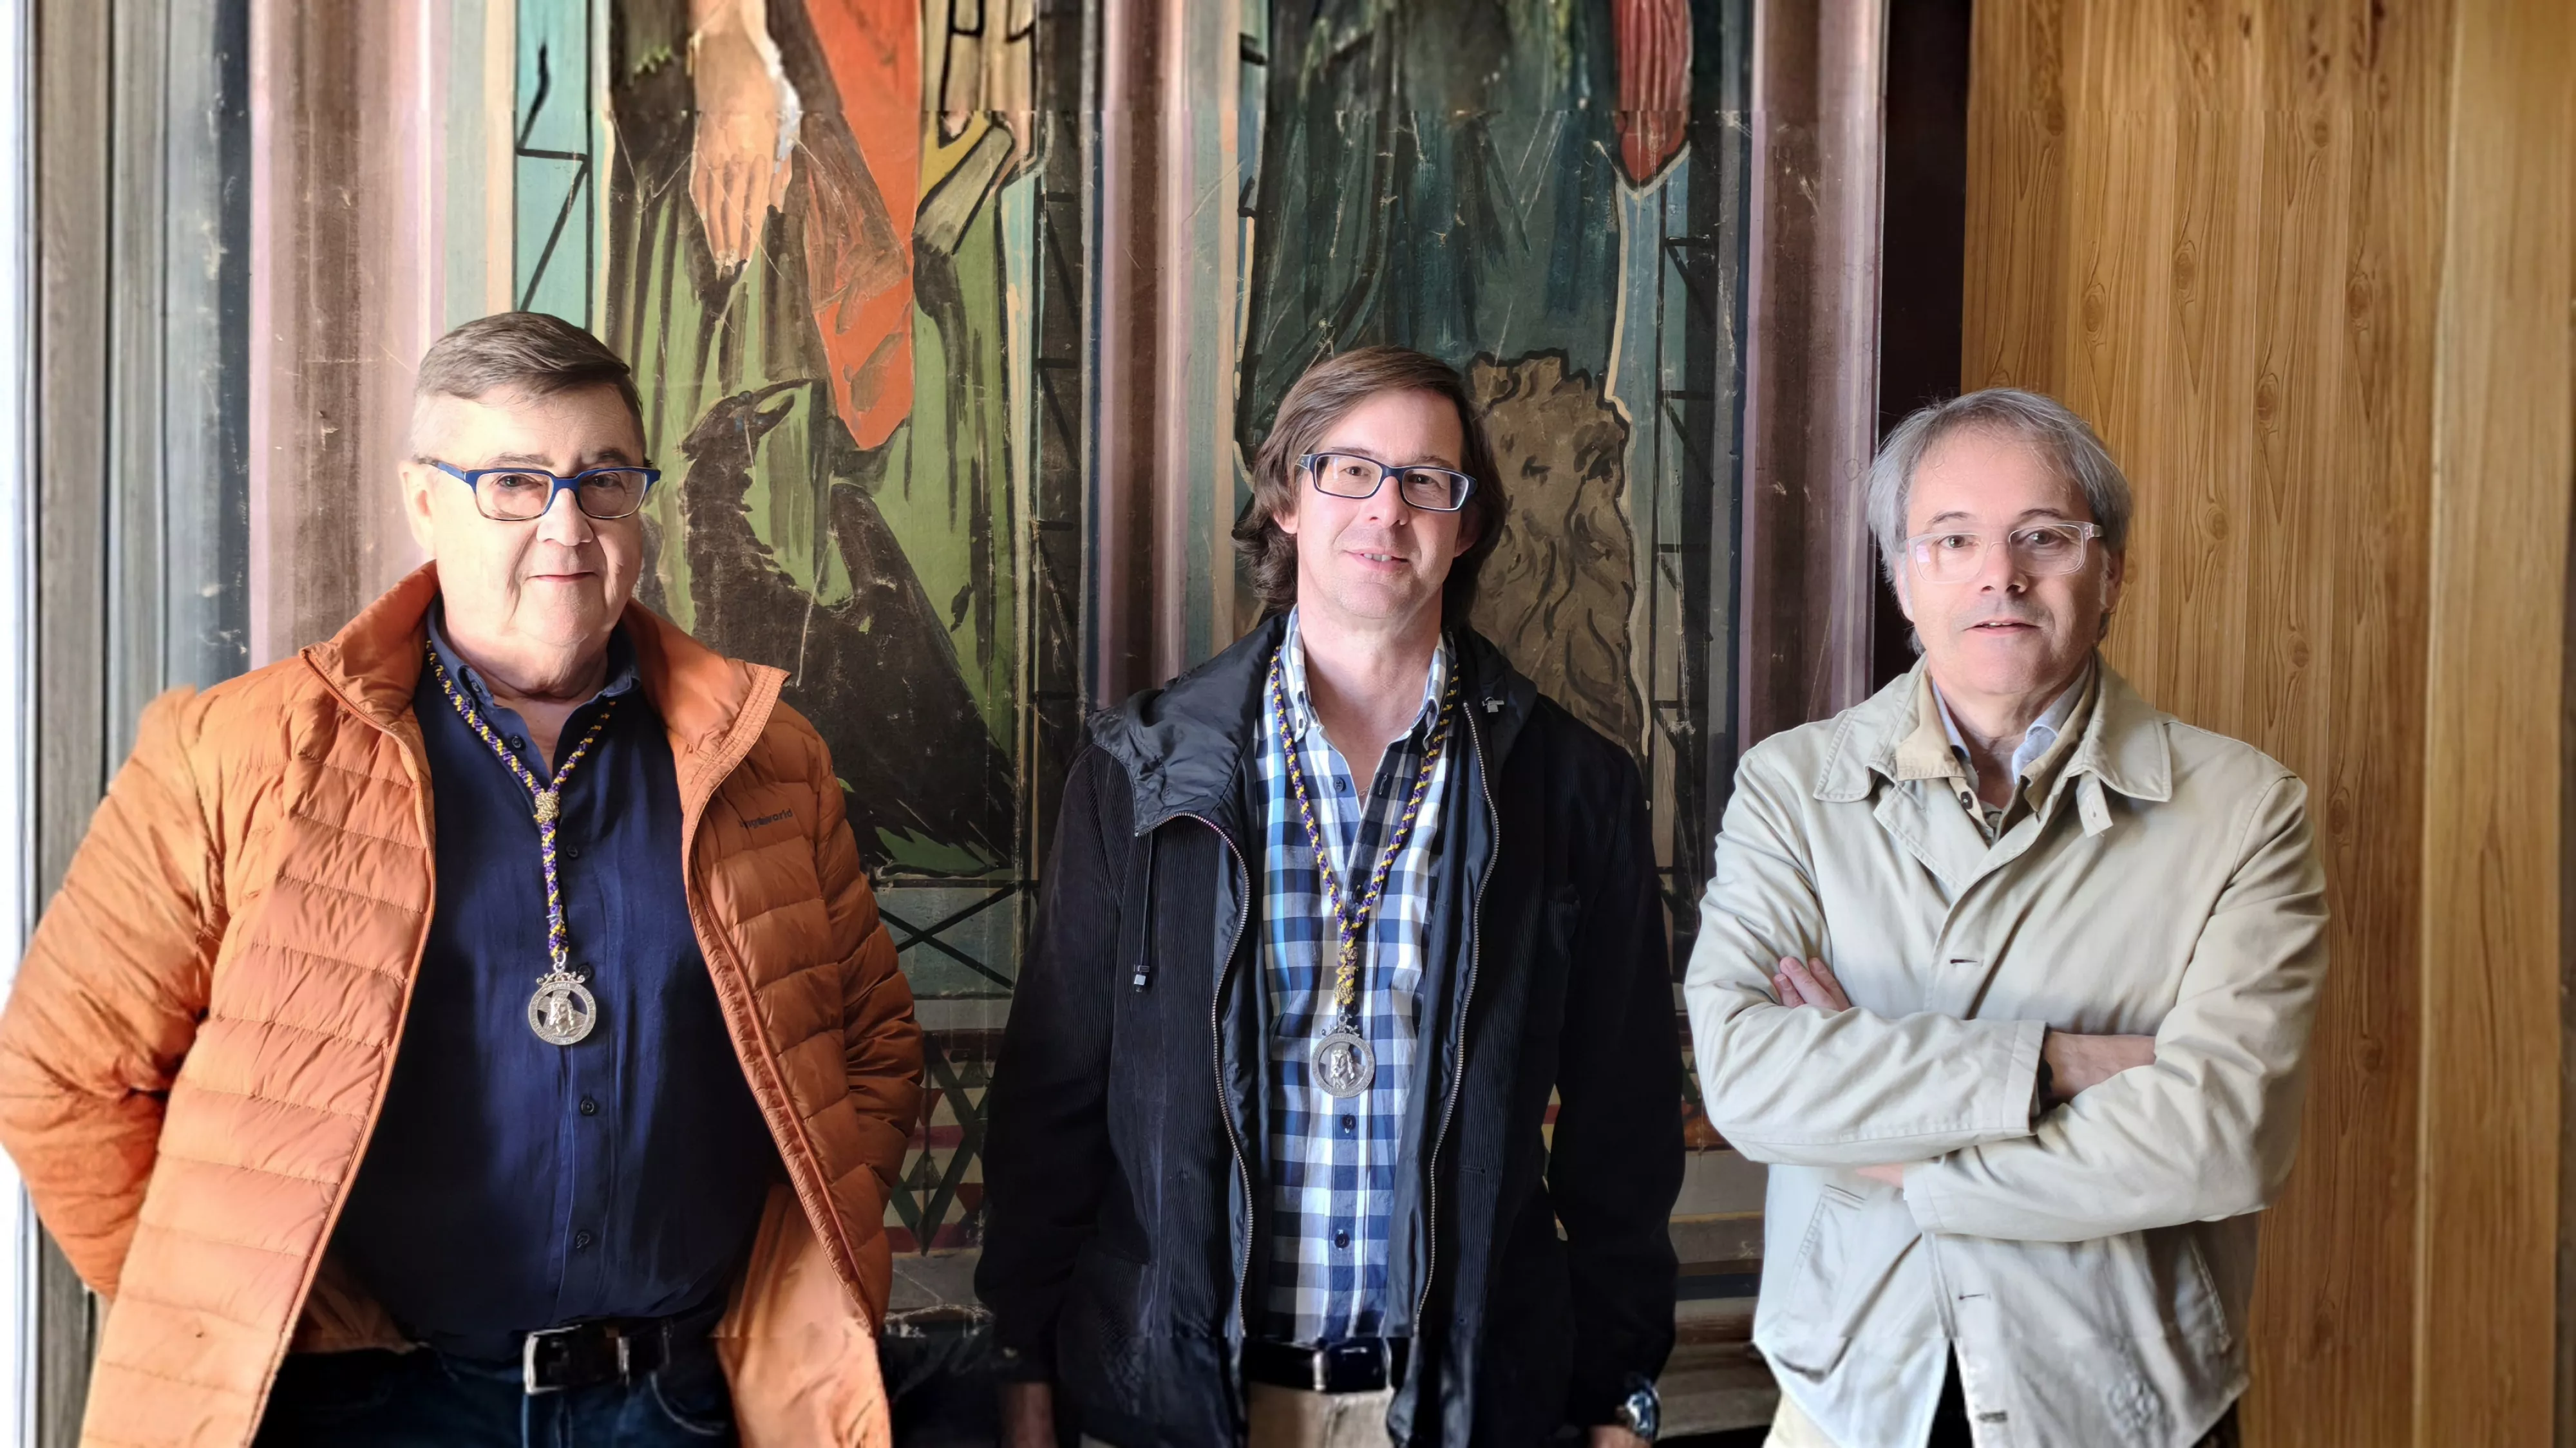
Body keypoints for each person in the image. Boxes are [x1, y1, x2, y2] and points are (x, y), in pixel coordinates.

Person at [0, 312, 923, 1448]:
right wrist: (225, 1309)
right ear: (423, 501)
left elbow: (873, 1049)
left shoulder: (769, 759)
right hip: (369, 1409)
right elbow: (61, 1076)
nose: (565, 526)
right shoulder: (231, 753)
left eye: (603, 482)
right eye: (511, 483)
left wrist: (786, 1283)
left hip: (680, 1402)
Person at [978, 346, 1682, 1447]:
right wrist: (1021, 1365)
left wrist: (1621, 1396)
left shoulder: (1570, 787)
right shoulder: (1137, 772)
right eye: (1348, 470)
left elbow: (1623, 1130)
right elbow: (1050, 1106)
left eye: (1425, 481)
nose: (1386, 511)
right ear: (1286, 499)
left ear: (1469, 522)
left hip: (1464, 1407)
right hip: (1186, 1408)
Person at [1686, 389, 2328, 1448]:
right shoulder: (1793, 788)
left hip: (2124, 1404)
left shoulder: (2246, 811)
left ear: (2112, 570)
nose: (2001, 575)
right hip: (1851, 1391)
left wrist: (1906, 1158)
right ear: (1901, 575)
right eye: (1952, 539)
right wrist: (2062, 1064)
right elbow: (1749, 1081)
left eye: (2045, 537)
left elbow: (2226, 1141)